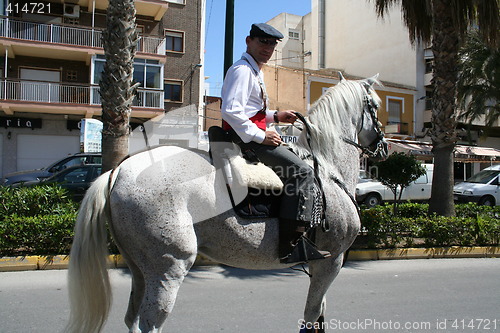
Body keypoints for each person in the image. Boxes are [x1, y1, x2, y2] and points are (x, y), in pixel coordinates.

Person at [220, 23, 330, 263]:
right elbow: (230, 111)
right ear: (249, 41)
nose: (267, 48)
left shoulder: (254, 70)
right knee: (303, 173)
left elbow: (252, 111)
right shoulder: (242, 71)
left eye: (272, 44)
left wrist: (276, 117)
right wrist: (262, 136)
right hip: (247, 140)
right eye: (262, 42)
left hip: (249, 134)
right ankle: (291, 246)